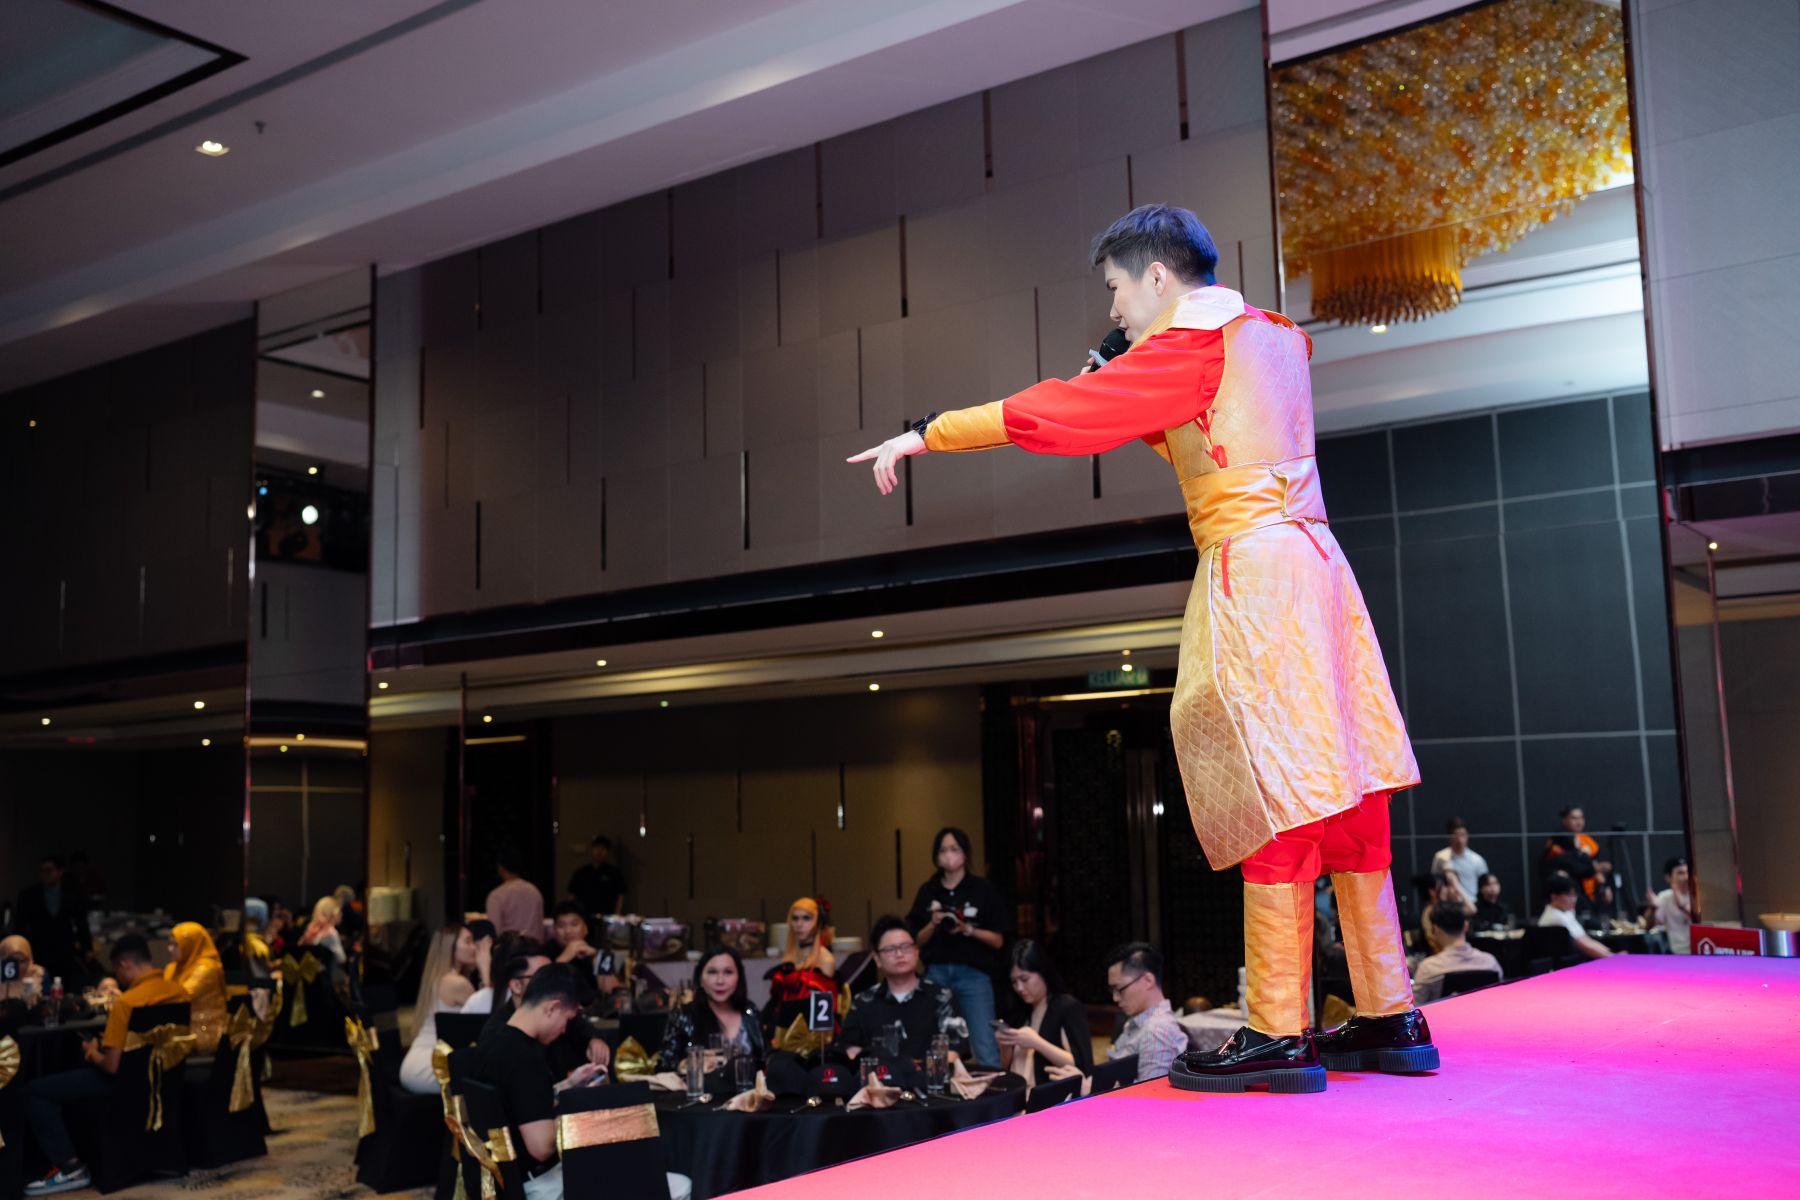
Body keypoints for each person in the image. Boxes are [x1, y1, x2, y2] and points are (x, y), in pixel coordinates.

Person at [849, 203, 1425, 1093]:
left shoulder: (1194, 343)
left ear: (1157, 276)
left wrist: (930, 430)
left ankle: (1279, 1030)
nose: (1114, 308)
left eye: (1117, 288)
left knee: (1272, 791)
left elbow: (1066, 416)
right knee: (1346, 788)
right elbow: (1211, 442)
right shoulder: (1273, 336)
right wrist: (1129, 387)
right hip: (1318, 570)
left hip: (1255, 578)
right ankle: (1391, 1013)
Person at [20, 935, 187, 1196]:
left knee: (35, 1091)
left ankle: (70, 1167)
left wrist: (91, 1053)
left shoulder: (127, 1003)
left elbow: (111, 1066)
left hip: (124, 1086)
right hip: (163, 1081)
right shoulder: (180, 993)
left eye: (117, 971)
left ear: (124, 965)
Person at [472, 965, 604, 1200]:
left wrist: (570, 1085)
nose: (564, 1030)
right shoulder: (526, 1059)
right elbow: (541, 1147)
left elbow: (518, 1101)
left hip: (504, 1179)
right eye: (567, 1019)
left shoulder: (494, 1039)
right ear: (552, 1008)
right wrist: (579, 1106)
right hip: (541, 1185)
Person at [905, 827, 1010, 1069]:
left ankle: (992, 1089)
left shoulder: (982, 889)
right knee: (931, 1041)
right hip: (936, 973)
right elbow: (914, 940)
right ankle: (933, 1086)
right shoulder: (928, 891)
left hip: (974, 974)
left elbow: (998, 940)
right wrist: (933, 923)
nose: (949, 855)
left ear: (965, 853)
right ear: (936, 856)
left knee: (984, 1044)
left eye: (954, 849)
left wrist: (967, 929)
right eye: (943, 850)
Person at [839, 916, 970, 1064]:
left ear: (916, 952)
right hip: (878, 1077)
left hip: (929, 1077)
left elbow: (953, 1052)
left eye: (905, 947)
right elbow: (850, 1051)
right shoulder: (863, 1001)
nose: (899, 954)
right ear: (877, 959)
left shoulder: (942, 997)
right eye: (890, 949)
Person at [482, 949, 611, 1077]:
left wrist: (594, 1039)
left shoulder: (561, 1014)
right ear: (516, 986)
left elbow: (585, 1029)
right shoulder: (499, 1032)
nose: (551, 983)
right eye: (540, 976)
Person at [400, 924, 491, 1093]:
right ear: (450, 947)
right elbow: (488, 1017)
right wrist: (486, 969)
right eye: (468, 941)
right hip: (429, 1065)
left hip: (420, 1061)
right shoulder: (455, 983)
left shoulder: (442, 978)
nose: (474, 948)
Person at [655, 945, 768, 1072]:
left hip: (749, 1085)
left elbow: (765, 1057)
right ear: (700, 978)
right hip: (702, 1085)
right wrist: (687, 1064)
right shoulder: (683, 1015)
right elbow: (663, 1066)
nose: (720, 981)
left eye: (728, 972)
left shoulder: (749, 1010)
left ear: (739, 977)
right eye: (712, 972)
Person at [996, 940, 1092, 1087]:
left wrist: (1036, 1042)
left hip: (1054, 1093)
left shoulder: (1067, 1007)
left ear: (1042, 972)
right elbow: (1006, 1067)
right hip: (1020, 1093)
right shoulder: (1019, 1011)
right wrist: (1005, 1046)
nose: (1019, 988)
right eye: (1014, 982)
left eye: (1024, 979)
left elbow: (1082, 1065)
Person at [1101, 942, 1187, 1084]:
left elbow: (1150, 1094)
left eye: (1119, 989)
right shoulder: (1139, 1021)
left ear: (1148, 980)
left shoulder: (1156, 1031)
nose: (1115, 998)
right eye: (1112, 991)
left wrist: (1090, 1090)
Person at [764, 896, 838, 1037]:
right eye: (795, 918)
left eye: (806, 918)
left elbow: (826, 1009)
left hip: (812, 1034)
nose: (799, 924)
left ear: (818, 922)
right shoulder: (789, 959)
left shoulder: (825, 960)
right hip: (783, 1029)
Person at [13, 856, 90, 987]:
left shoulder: (72, 893)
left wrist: (87, 947)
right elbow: (20, 925)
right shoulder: (29, 895)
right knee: (39, 983)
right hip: (39, 948)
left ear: (60, 872)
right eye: (42, 871)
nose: (44, 874)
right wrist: (19, 949)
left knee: (64, 984)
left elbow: (81, 922)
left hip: (64, 948)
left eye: (48, 870)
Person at [1411, 903, 1504, 1003]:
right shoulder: (1490, 962)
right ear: (1466, 926)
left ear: (1436, 929)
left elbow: (1415, 1006)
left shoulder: (1428, 968)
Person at [165, 922, 227, 1053]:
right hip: (180, 1024)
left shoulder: (207, 968)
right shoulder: (173, 967)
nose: (169, 949)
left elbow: (183, 996)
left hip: (205, 1029)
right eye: (169, 943)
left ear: (190, 944)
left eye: (175, 945)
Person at [1538, 874, 1613, 960]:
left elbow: (1586, 939)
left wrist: (1611, 953)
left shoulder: (1566, 913)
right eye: (1569, 895)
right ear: (1554, 897)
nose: (1574, 899)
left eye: (1574, 895)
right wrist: (1612, 957)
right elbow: (1585, 947)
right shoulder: (1554, 917)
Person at [1540, 806, 1600, 896]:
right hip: (1566, 894)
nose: (1579, 822)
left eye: (1581, 818)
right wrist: (1584, 857)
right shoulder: (1559, 839)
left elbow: (1592, 868)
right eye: (1574, 818)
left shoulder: (1588, 841)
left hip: (1589, 892)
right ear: (1564, 820)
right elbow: (1582, 869)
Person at [486, 849, 546, 937]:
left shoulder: (497, 895)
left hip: (509, 945)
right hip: (534, 944)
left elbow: (494, 930)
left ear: (500, 868)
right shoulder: (534, 891)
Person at [566, 836, 626, 919]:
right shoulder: (581, 872)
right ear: (592, 849)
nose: (599, 851)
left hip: (606, 915)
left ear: (607, 851)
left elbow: (620, 895)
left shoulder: (614, 872)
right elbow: (572, 894)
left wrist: (617, 915)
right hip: (584, 915)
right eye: (597, 848)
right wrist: (572, 914)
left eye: (603, 848)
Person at [1429, 818, 1488, 902]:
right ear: (1450, 837)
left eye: (1463, 835)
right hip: (1449, 904)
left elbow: (1485, 884)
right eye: (1456, 835)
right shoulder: (1441, 857)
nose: (1460, 840)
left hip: (1472, 902)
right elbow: (1435, 882)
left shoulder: (1477, 860)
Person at [1421, 872, 1475, 955]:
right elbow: (1471, 909)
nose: (1446, 889)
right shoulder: (1430, 911)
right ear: (1432, 891)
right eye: (1443, 886)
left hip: (1453, 952)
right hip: (1442, 955)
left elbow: (1471, 909)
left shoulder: (1446, 908)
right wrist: (1456, 884)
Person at [1650, 856, 1693, 955]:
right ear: (1668, 878)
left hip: (1701, 950)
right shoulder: (1664, 896)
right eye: (1680, 873)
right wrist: (1652, 909)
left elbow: (1703, 923)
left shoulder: (1699, 895)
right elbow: (1650, 925)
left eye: (1687, 872)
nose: (1686, 877)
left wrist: (1683, 906)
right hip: (1677, 954)